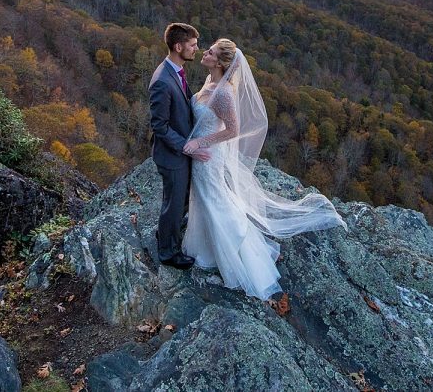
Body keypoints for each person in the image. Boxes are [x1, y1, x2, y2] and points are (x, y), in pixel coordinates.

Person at [181, 38, 347, 300]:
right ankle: (208, 245)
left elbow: (233, 130)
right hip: (200, 154)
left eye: (210, 51)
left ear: (222, 62)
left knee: (214, 198)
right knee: (204, 198)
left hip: (207, 156)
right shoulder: (209, 83)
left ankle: (234, 243)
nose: (205, 52)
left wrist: (199, 142)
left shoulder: (223, 93)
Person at [149, 22, 211, 270]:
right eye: (193, 45)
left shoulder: (176, 72)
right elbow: (159, 126)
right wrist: (187, 147)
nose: (197, 49)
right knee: (174, 203)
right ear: (178, 46)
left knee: (178, 201)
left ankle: (166, 233)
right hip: (172, 155)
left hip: (180, 151)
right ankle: (168, 252)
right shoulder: (162, 81)